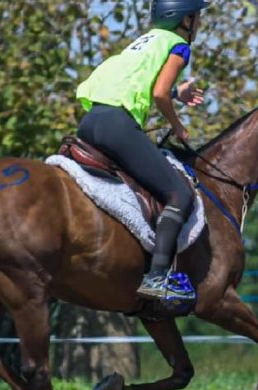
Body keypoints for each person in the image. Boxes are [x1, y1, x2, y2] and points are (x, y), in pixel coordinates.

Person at [75, 0, 208, 301]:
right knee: (180, 195)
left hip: (91, 121)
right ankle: (157, 278)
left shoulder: (141, 43)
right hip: (117, 125)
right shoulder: (178, 45)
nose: (200, 23)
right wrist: (178, 126)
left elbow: (144, 85)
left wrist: (178, 92)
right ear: (185, 19)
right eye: (198, 17)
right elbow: (159, 94)